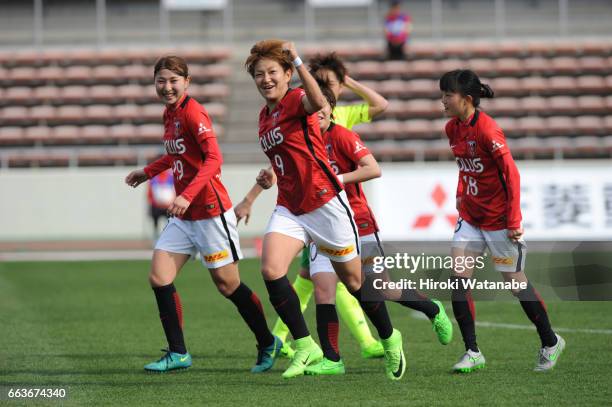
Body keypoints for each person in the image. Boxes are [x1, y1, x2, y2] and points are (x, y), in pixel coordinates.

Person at [245, 39, 405, 380]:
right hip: (290, 206)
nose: (265, 79)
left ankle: (391, 338)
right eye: (259, 74)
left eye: (273, 71)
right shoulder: (264, 116)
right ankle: (306, 345)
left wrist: (299, 59)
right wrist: (266, 181)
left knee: (355, 281)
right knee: (272, 270)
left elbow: (317, 100)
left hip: (326, 204)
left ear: (288, 74)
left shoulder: (297, 100)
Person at [125, 56, 281, 374]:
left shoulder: (193, 111)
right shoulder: (169, 114)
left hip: (210, 212)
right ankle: (178, 353)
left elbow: (213, 159)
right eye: (161, 81)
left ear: (187, 82)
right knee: (159, 277)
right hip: (185, 217)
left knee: (227, 285)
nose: (167, 87)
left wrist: (185, 194)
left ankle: (268, 342)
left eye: (173, 81)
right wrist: (148, 172)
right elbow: (175, 155)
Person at [294, 85, 452, 375]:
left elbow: (373, 168)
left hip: (359, 224)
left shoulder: (342, 136)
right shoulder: (301, 141)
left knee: (382, 288)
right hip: (322, 225)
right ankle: (332, 359)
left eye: (322, 108)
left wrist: (336, 178)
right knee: (323, 290)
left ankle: (432, 309)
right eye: (311, 109)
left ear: (330, 109)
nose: (316, 114)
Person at [440, 69, 565, 373]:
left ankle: (550, 341)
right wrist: (460, 194)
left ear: (467, 99)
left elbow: (511, 174)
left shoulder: (488, 130)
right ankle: (472, 351)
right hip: (471, 217)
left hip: (498, 220)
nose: (442, 100)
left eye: (447, 95)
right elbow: (464, 168)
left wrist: (514, 219)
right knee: (458, 279)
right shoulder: (451, 128)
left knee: (516, 284)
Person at [147, 168, 175, 239]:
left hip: (168, 206)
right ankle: (155, 239)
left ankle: (168, 238)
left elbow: (175, 192)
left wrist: (172, 203)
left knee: (169, 224)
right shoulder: (153, 179)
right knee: (155, 224)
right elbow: (149, 193)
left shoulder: (171, 178)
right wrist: (153, 202)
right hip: (156, 206)